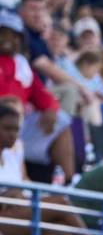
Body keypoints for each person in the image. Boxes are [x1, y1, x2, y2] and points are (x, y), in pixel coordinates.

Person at [0, 103, 96, 235]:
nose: (13, 134)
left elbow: (25, 183)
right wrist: (7, 195)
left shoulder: (15, 151)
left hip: (19, 214)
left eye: (16, 129)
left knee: (60, 231)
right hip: (3, 219)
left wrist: (19, 194)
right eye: (7, 128)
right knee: (60, 202)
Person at [0, 10, 76, 185]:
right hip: (4, 121)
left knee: (61, 121)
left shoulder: (21, 64)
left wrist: (50, 109)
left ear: (20, 39)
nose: (8, 40)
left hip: (18, 124)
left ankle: (69, 182)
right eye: (3, 34)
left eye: (14, 36)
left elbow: (41, 95)